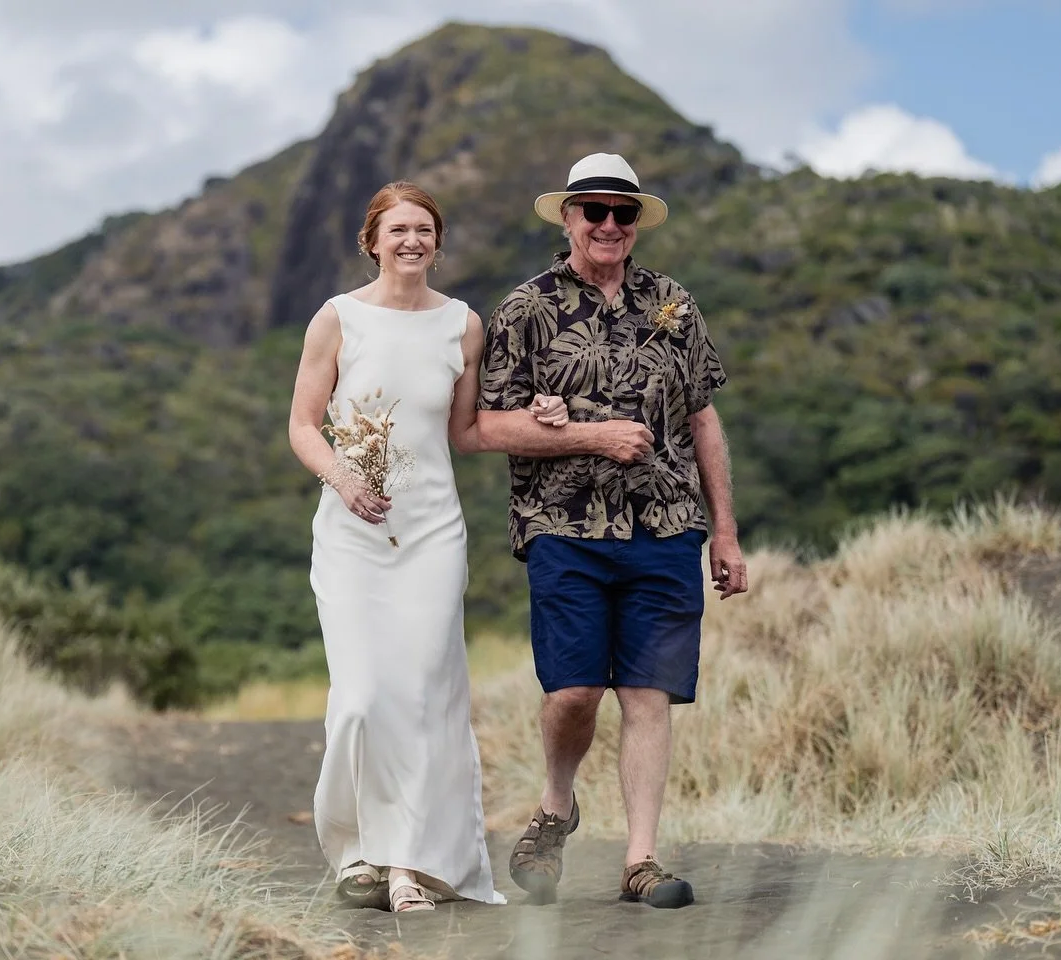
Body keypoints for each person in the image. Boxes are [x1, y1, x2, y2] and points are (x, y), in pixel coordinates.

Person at [476, 153, 749, 910]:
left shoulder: (674, 304)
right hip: (563, 526)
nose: (607, 225)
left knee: (648, 692)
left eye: (621, 214)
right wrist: (586, 438)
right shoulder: (525, 309)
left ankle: (640, 861)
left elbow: (701, 416)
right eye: (592, 211)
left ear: (636, 225)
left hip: (664, 526)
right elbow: (485, 424)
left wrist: (723, 532)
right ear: (566, 218)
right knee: (573, 693)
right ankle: (557, 805)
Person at [287, 181, 568, 913]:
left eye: (425, 229)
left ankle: (413, 862)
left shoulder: (463, 326)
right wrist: (345, 481)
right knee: (360, 699)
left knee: (423, 699)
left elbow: (469, 431)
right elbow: (301, 426)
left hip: (434, 534)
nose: (412, 240)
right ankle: (355, 853)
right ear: (372, 240)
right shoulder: (337, 318)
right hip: (351, 535)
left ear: (437, 245)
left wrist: (543, 416)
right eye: (398, 229)